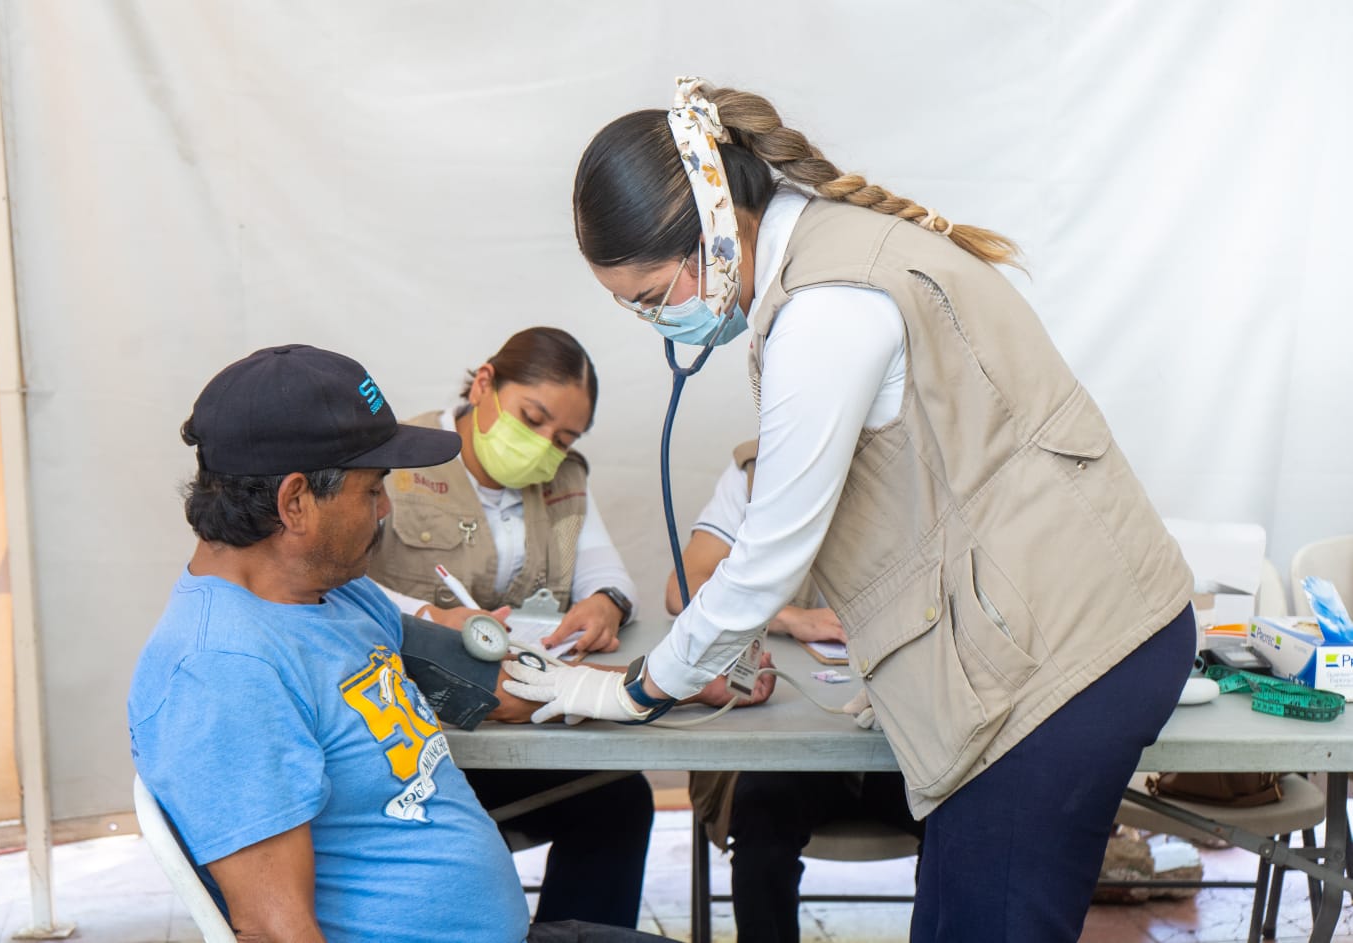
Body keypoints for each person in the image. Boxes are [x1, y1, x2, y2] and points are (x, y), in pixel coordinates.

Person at [504, 78, 1197, 943]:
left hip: (1064, 666)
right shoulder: (831, 258)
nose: (652, 320)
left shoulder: (827, 307)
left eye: (649, 296)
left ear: (715, 232)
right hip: (1046, 654)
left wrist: (634, 691)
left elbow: (766, 559)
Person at [127, 343, 670, 943]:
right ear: (296, 502)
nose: (386, 508)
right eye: (372, 490)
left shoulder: (338, 595)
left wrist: (671, 680)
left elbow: (499, 685)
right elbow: (275, 931)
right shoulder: (221, 672)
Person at [364, 326, 654, 929]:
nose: (544, 447)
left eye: (563, 438)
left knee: (620, 798)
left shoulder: (564, 479)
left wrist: (605, 604)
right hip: (417, 739)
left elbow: (607, 573)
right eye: (533, 418)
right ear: (484, 384)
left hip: (521, 723)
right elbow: (338, 585)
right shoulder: (395, 460)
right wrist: (431, 617)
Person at [673, 440, 923, 943]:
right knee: (762, 806)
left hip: (908, 741)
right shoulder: (759, 470)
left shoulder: (931, 463)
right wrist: (791, 619)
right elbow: (684, 585)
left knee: (966, 815)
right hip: (793, 747)